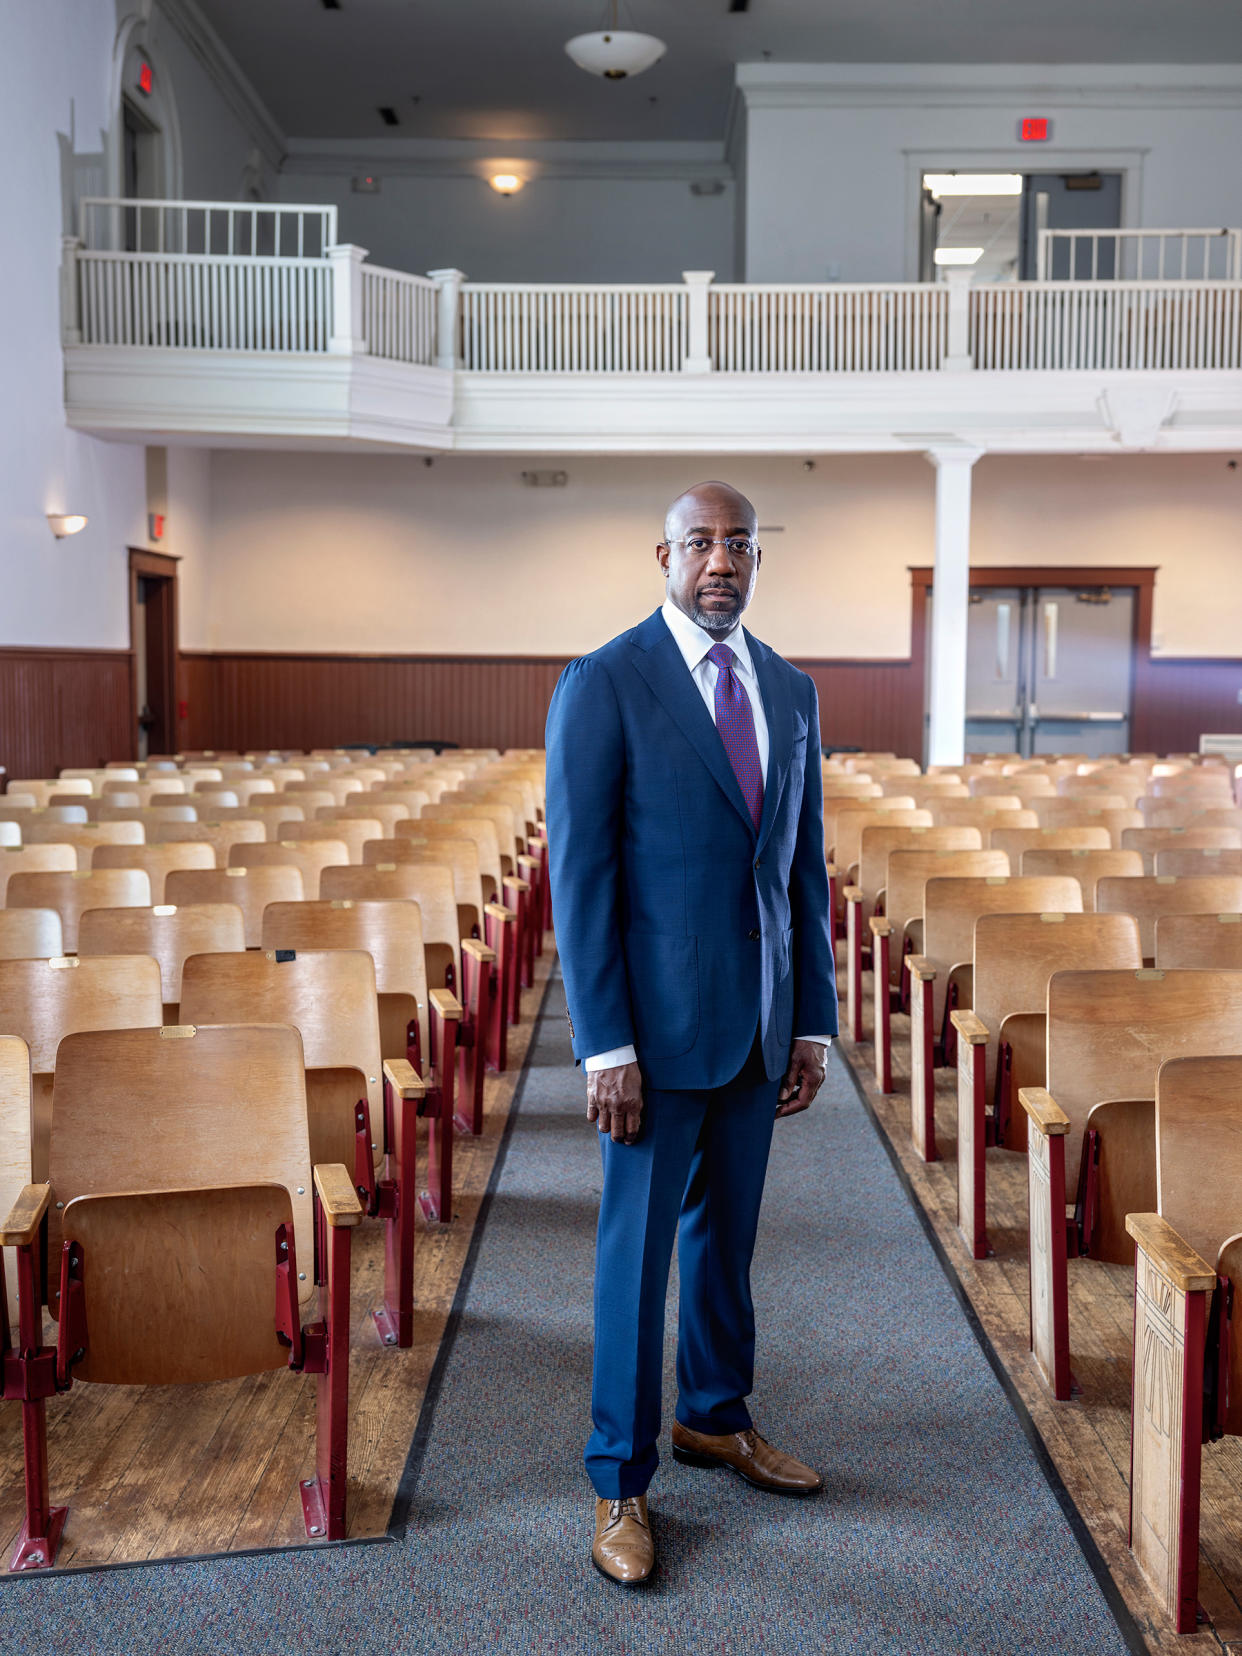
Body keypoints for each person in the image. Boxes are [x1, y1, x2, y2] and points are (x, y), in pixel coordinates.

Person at [544, 480, 839, 1587]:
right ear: (661, 552)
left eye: (741, 544)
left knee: (729, 1243)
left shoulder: (794, 690)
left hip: (760, 1027)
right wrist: (604, 1046)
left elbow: (801, 873)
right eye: (702, 542)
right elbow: (584, 883)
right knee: (638, 1256)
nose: (722, 560)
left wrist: (811, 1017)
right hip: (653, 1041)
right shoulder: (604, 684)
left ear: (760, 561)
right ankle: (619, 1479)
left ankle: (716, 1415)